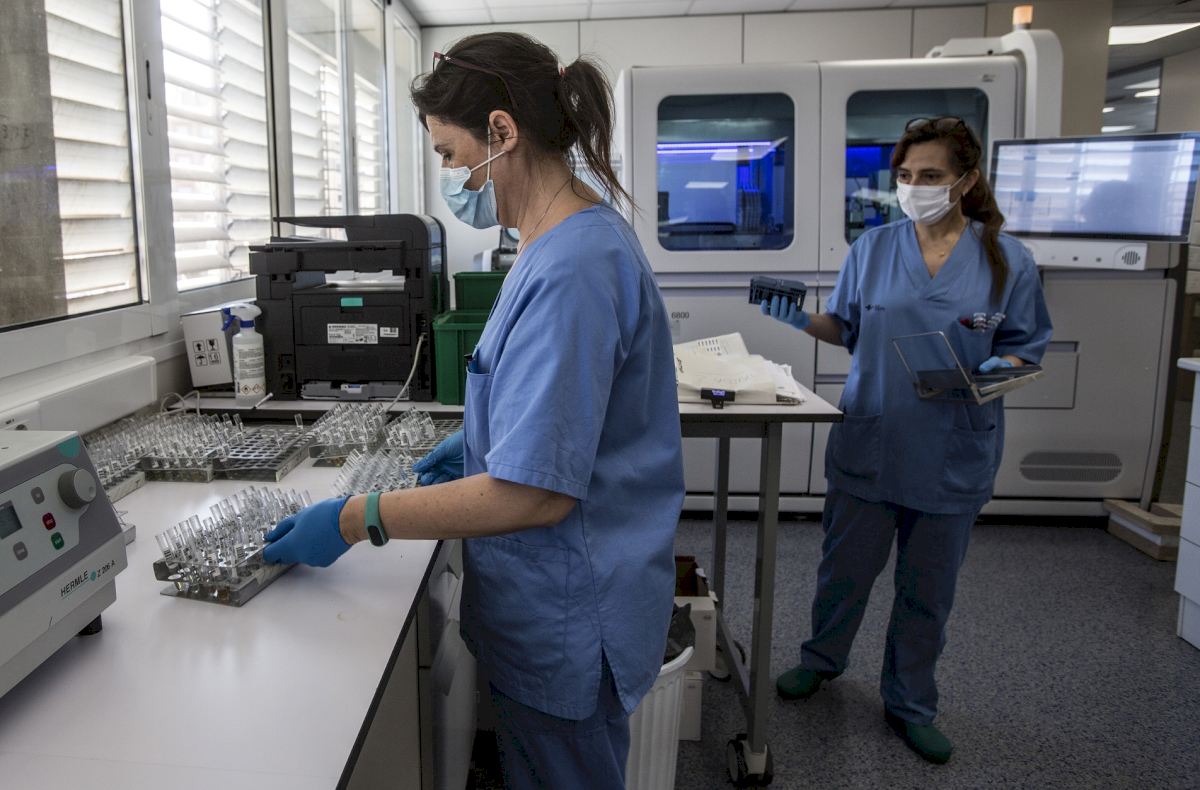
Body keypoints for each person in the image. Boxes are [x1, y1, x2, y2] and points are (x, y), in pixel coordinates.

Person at [261, 32, 685, 789]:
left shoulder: (575, 267)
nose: (451, 178)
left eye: (450, 155)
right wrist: (481, 440)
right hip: (549, 603)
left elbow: (535, 495)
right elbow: (557, 410)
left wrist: (360, 517)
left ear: (502, 131)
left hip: (569, 613)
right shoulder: (552, 240)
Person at [761, 117, 1052, 764]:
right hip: (874, 439)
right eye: (906, 175)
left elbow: (1025, 349)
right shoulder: (873, 249)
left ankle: (910, 702)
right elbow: (846, 329)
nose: (914, 187)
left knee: (927, 593)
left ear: (966, 181)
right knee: (843, 571)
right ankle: (821, 659)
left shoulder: (1009, 261)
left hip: (953, 450)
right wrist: (801, 319)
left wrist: (997, 368)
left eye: (931, 176)